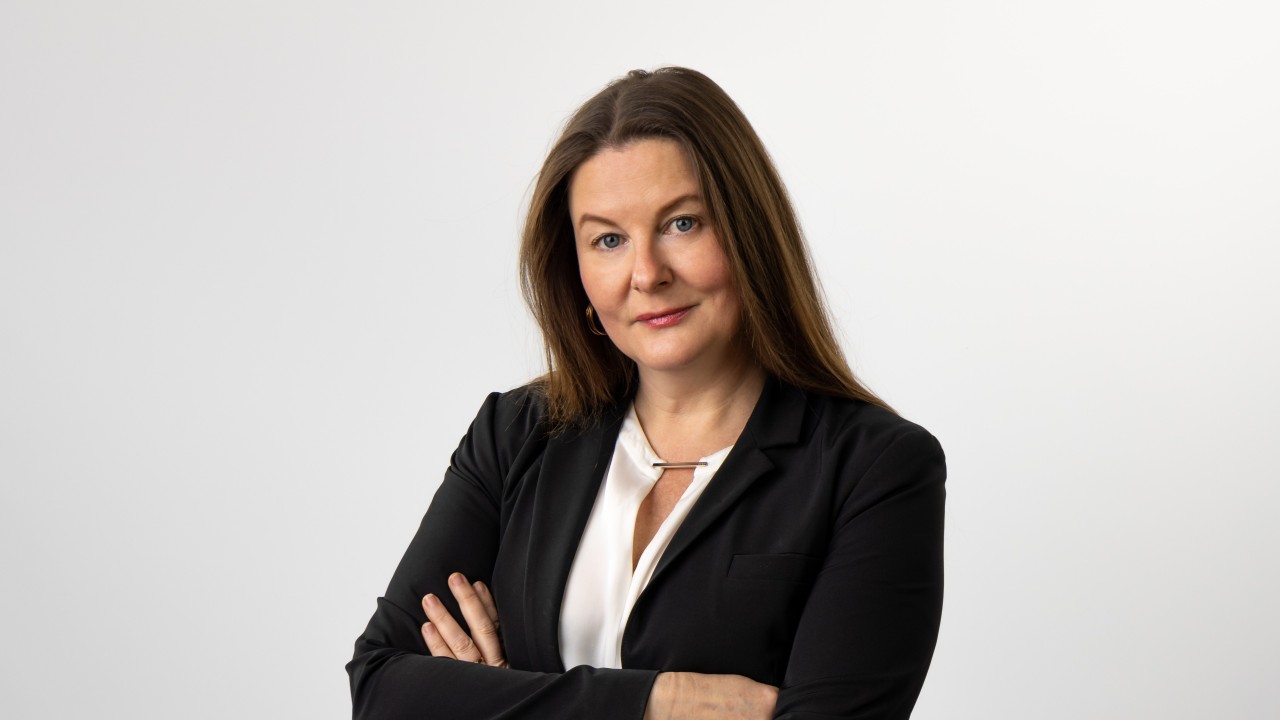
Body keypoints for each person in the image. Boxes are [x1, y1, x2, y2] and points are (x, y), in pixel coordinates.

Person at [347, 67, 946, 720]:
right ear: (574, 268)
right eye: (608, 239)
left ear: (749, 234)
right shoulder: (515, 434)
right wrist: (659, 700)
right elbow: (381, 689)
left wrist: (497, 699)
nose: (647, 274)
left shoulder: (876, 469)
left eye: (682, 224)